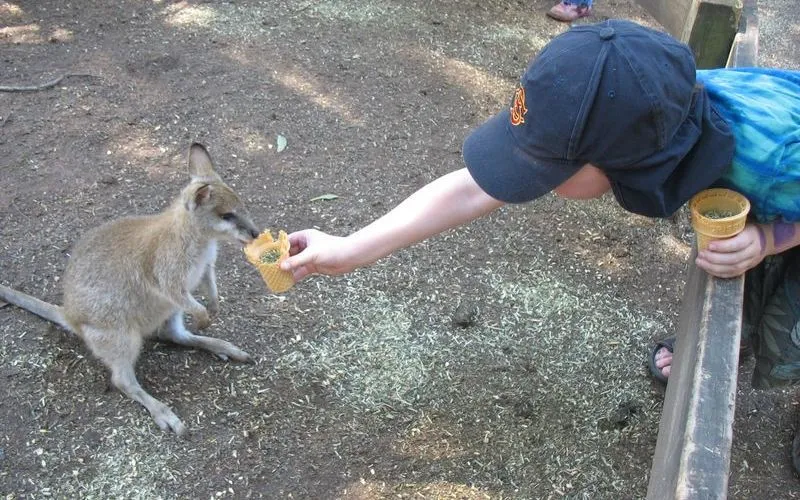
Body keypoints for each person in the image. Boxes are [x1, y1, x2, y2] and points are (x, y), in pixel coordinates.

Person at [280, 20, 800, 471]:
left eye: (551, 168)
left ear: (627, 161)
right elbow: (472, 189)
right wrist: (349, 250)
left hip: (786, 186)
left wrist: (771, 236)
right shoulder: (656, 109)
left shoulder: (768, 161)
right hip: (772, 192)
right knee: (741, 273)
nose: (533, 177)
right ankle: (732, 336)